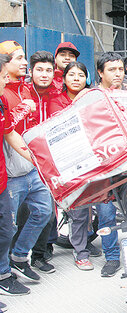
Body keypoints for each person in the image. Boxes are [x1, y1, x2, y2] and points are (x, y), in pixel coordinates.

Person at [65, 52, 126, 276]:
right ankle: (112, 257)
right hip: (102, 168)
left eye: (120, 69)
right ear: (100, 72)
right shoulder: (88, 97)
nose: (118, 74)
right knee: (107, 212)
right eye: (112, 70)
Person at [0, 40, 52, 283]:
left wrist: (38, 159)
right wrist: (21, 110)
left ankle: (20, 257)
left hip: (30, 167)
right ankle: (4, 272)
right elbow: (8, 130)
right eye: (19, 58)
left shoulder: (25, 89)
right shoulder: (4, 93)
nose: (24, 63)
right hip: (10, 173)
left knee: (44, 211)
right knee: (7, 227)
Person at [13, 51, 58, 274]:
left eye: (48, 70)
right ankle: (17, 256)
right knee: (22, 213)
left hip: (48, 162)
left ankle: (40, 255)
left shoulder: (57, 94)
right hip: (22, 160)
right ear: (31, 71)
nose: (44, 74)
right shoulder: (22, 92)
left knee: (47, 212)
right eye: (39, 70)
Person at [0, 54, 36, 301]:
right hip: (10, 176)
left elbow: (9, 132)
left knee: (6, 229)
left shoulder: (1, 99)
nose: (5, 81)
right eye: (3, 76)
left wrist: (38, 161)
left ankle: (14, 263)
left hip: (4, 177)